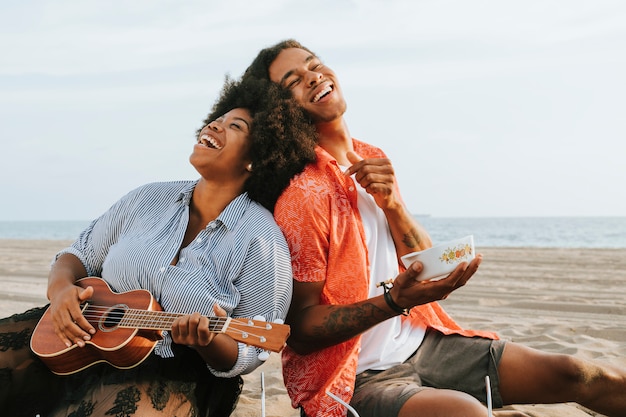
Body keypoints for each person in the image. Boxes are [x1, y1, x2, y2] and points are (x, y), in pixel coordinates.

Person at [242, 39, 626, 417]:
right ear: (279, 107)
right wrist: (396, 301)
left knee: (581, 374)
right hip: (356, 377)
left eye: (314, 63)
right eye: (293, 80)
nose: (313, 76)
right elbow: (302, 329)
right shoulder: (302, 192)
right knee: (466, 413)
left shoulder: (371, 155)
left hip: (426, 342)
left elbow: (421, 259)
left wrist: (391, 204)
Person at [0, 76, 317, 417]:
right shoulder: (146, 197)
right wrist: (61, 290)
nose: (215, 124)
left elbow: (247, 354)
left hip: (173, 374)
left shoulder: (262, 240)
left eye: (234, 125)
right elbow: (79, 255)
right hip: (81, 338)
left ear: (257, 159)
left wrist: (209, 341)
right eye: (218, 118)